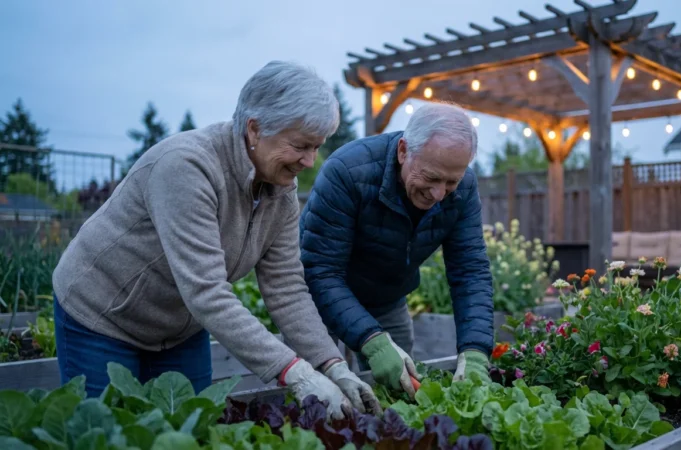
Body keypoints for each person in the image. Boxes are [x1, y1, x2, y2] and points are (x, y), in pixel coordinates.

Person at [51, 61, 381, 420]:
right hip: (103, 317)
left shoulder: (281, 189)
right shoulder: (187, 167)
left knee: (190, 431)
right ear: (255, 129)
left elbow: (286, 286)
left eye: (316, 147)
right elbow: (206, 290)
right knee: (108, 431)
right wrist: (295, 372)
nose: (310, 160)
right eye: (301, 145)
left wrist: (332, 364)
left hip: (180, 326)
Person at [299, 102, 494, 400]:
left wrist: (476, 350)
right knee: (317, 395)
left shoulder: (464, 188)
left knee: (401, 393)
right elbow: (321, 271)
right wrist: (373, 341)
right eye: (431, 177)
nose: (439, 193)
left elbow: (470, 271)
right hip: (317, 300)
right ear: (404, 151)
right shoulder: (347, 172)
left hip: (387, 298)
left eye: (450, 182)